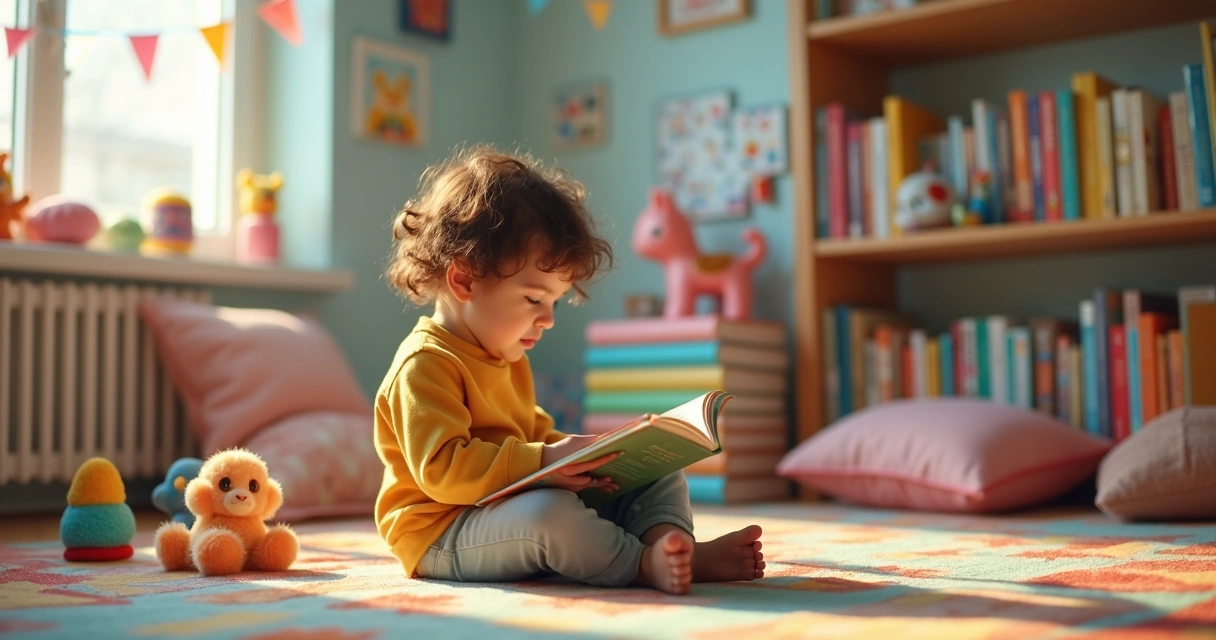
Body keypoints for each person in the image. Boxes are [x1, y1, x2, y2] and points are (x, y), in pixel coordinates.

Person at [373, 145, 765, 594]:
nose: (548, 319)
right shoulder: (425, 364)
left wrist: (598, 452)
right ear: (464, 279)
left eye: (554, 302)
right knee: (550, 516)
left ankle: (673, 546)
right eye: (534, 299)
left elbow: (528, 432)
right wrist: (546, 459)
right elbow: (443, 470)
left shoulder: (503, 355)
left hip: (505, 504)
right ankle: (642, 565)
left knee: (660, 469)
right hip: (443, 531)